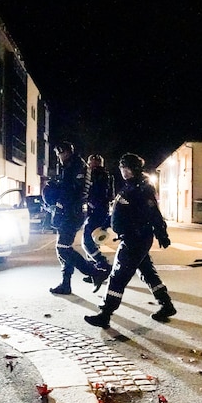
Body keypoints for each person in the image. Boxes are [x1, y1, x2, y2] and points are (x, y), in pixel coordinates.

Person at [84, 153, 177, 329]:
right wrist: (105, 225)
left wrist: (162, 234)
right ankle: (167, 305)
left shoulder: (143, 188)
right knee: (147, 272)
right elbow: (117, 210)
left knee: (118, 276)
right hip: (132, 238)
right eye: (122, 169)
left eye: (126, 169)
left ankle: (105, 314)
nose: (123, 172)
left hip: (136, 239)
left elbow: (154, 213)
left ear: (134, 169)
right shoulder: (129, 186)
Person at [46, 141, 109, 295]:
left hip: (71, 213)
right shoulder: (74, 165)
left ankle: (94, 272)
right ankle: (66, 283)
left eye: (60, 153)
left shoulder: (73, 167)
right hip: (74, 212)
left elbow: (70, 192)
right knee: (63, 248)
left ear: (66, 152)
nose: (59, 157)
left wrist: (58, 206)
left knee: (63, 248)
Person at [82, 154, 114, 273]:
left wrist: (90, 202)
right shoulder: (108, 176)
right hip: (101, 211)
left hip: (96, 212)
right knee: (94, 241)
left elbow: (94, 193)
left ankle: (102, 263)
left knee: (87, 242)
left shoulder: (95, 176)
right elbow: (111, 195)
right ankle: (95, 269)